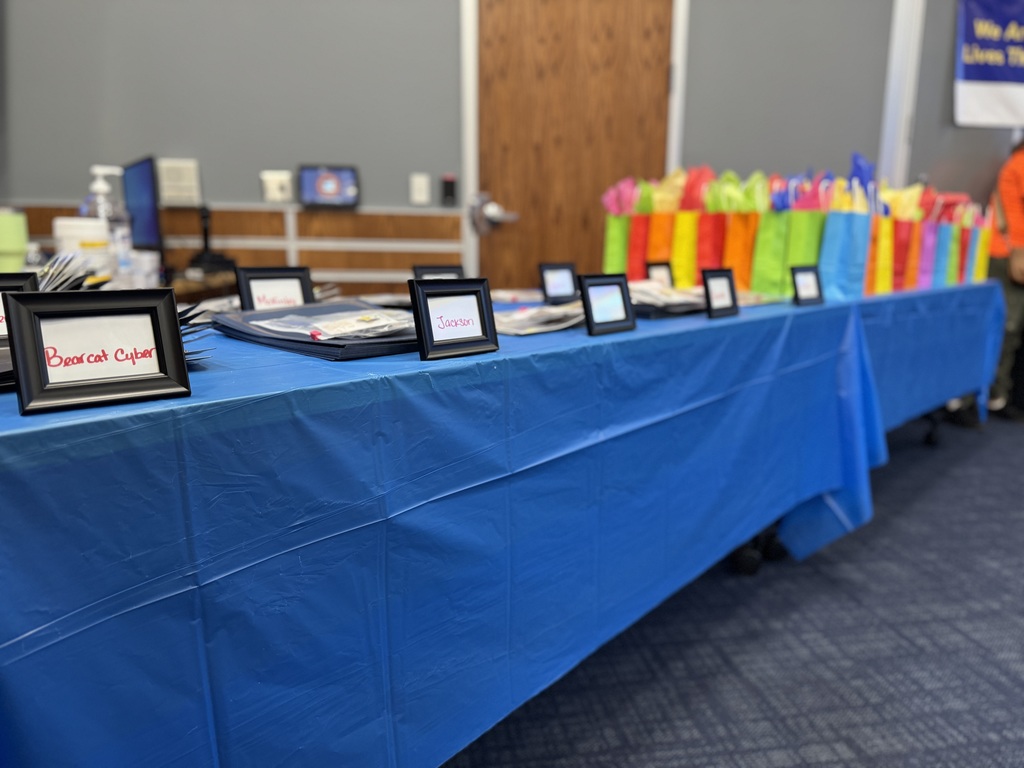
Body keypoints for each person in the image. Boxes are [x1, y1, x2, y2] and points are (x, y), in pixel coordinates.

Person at [986, 137, 1024, 420]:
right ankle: (991, 395)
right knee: (1006, 327)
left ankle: (998, 394)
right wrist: (1019, 253)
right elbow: (1013, 214)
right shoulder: (1019, 164)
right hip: (1008, 255)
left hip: (1012, 253)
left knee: (1010, 329)